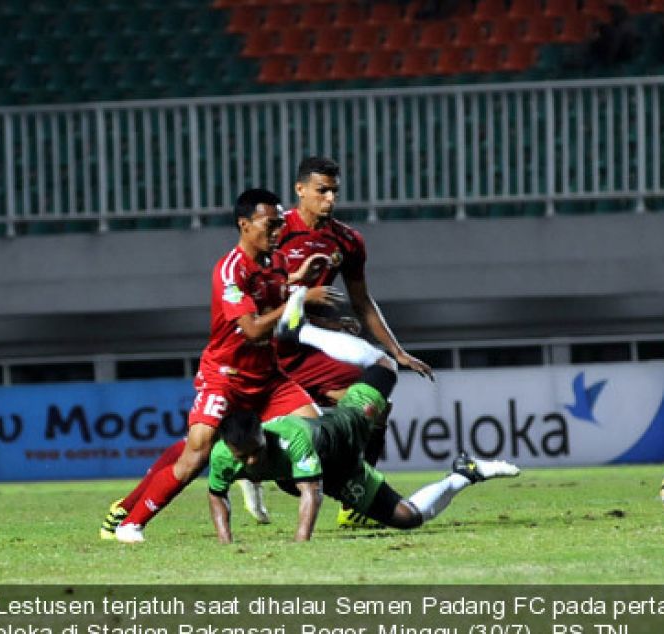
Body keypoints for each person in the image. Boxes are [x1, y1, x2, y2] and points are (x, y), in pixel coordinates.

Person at [102, 188, 373, 544]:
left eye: (280, 224)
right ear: (245, 225)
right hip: (226, 377)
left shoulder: (275, 265)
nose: (278, 231)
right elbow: (253, 329)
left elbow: (284, 314)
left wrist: (328, 319)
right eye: (271, 225)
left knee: (316, 436)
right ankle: (129, 523)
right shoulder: (230, 270)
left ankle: (344, 498)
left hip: (269, 378)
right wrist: (299, 297)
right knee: (196, 453)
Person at [271, 155, 436, 527]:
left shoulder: (347, 240)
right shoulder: (276, 233)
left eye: (334, 191)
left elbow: (361, 300)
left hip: (309, 352)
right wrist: (307, 302)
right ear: (300, 190)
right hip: (272, 352)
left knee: (375, 408)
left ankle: (356, 501)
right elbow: (259, 295)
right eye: (321, 190)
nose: (329, 198)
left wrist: (396, 351)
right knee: (253, 440)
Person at [206, 354, 521, 543]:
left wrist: (300, 545)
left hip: (346, 432)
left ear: (263, 433)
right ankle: (464, 473)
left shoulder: (292, 437)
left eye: (255, 452)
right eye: (242, 456)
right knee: (407, 519)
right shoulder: (223, 454)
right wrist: (225, 541)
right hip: (327, 474)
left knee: (384, 368)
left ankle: (460, 472)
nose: (250, 460)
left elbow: (311, 493)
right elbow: (216, 493)